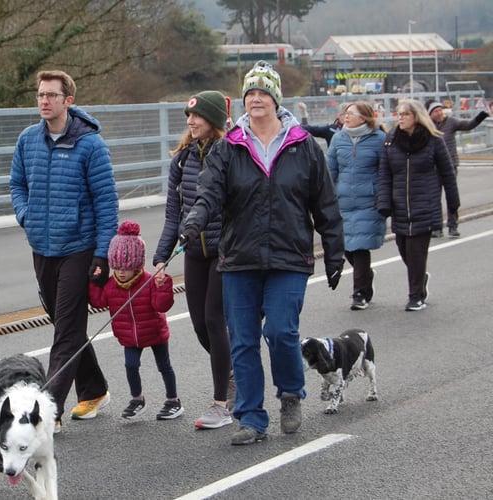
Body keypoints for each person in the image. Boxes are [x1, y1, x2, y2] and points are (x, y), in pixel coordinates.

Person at [180, 61, 344, 446]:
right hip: (239, 258)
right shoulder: (229, 146)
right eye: (250, 92)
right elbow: (209, 193)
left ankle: (290, 394)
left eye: (263, 92)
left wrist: (335, 252)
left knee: (281, 331)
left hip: (289, 256)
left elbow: (325, 204)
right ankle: (252, 417)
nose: (255, 98)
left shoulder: (303, 145)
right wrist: (194, 221)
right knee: (243, 340)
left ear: (275, 99)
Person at [9, 70, 118, 430]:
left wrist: (103, 254)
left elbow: (106, 202)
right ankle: (94, 388)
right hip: (42, 245)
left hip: (79, 247)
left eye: (51, 95)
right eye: (40, 94)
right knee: (64, 324)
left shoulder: (90, 144)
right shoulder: (28, 140)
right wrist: (27, 216)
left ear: (68, 101)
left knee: (67, 330)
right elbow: (17, 183)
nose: (44, 101)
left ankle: (48, 409)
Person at [153, 91, 234, 430]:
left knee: (215, 319)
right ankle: (232, 373)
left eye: (197, 117)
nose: (190, 122)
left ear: (214, 120)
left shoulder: (231, 154)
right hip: (194, 251)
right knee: (199, 323)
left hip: (224, 250)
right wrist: (160, 256)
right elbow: (175, 213)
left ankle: (222, 402)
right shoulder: (182, 160)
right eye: (188, 117)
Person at [90, 220, 183, 421]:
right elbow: (97, 302)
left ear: (137, 264)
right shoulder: (111, 284)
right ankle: (137, 399)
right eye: (117, 267)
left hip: (155, 332)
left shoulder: (149, 281)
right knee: (131, 365)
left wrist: (162, 285)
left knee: (164, 365)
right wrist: (94, 281)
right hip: (129, 336)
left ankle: (173, 400)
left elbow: (161, 306)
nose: (121, 272)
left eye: (127, 267)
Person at [378, 99, 459, 312]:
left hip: (425, 205)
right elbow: (385, 174)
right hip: (400, 206)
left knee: (416, 253)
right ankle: (420, 277)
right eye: (399, 114)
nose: (400, 118)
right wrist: (384, 203)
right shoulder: (391, 140)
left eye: (405, 114)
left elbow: (447, 173)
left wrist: (453, 203)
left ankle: (415, 296)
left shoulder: (433, 140)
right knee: (403, 249)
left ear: (416, 117)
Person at [326, 100, 387, 311]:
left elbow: (384, 171)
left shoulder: (379, 139)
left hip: (368, 201)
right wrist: (325, 196)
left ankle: (359, 293)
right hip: (343, 201)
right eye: (345, 113)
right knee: (346, 247)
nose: (346, 116)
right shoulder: (338, 138)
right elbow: (330, 169)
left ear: (364, 118)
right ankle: (366, 276)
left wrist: (381, 197)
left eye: (351, 113)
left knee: (360, 246)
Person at [425, 100, 489, 238]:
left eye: (440, 110)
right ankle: (437, 227)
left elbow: (468, 125)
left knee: (451, 196)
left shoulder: (451, 122)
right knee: (434, 198)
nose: (439, 113)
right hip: (433, 167)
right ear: (430, 114)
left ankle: (453, 226)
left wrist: (482, 115)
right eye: (436, 111)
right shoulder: (427, 127)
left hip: (450, 164)